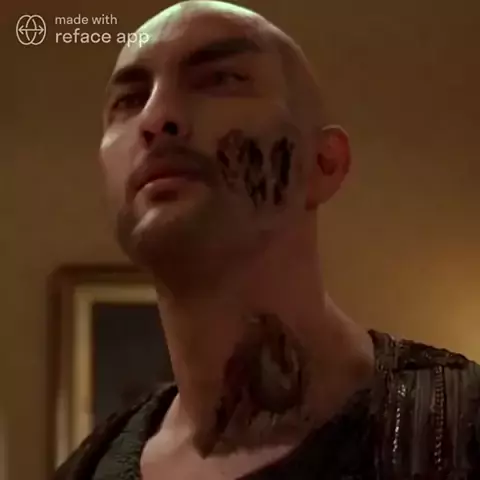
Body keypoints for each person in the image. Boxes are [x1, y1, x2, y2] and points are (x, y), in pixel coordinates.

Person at [54, 1, 480, 478]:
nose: (156, 118)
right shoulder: (87, 469)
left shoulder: (461, 429)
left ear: (323, 164)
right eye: (129, 100)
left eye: (219, 79)